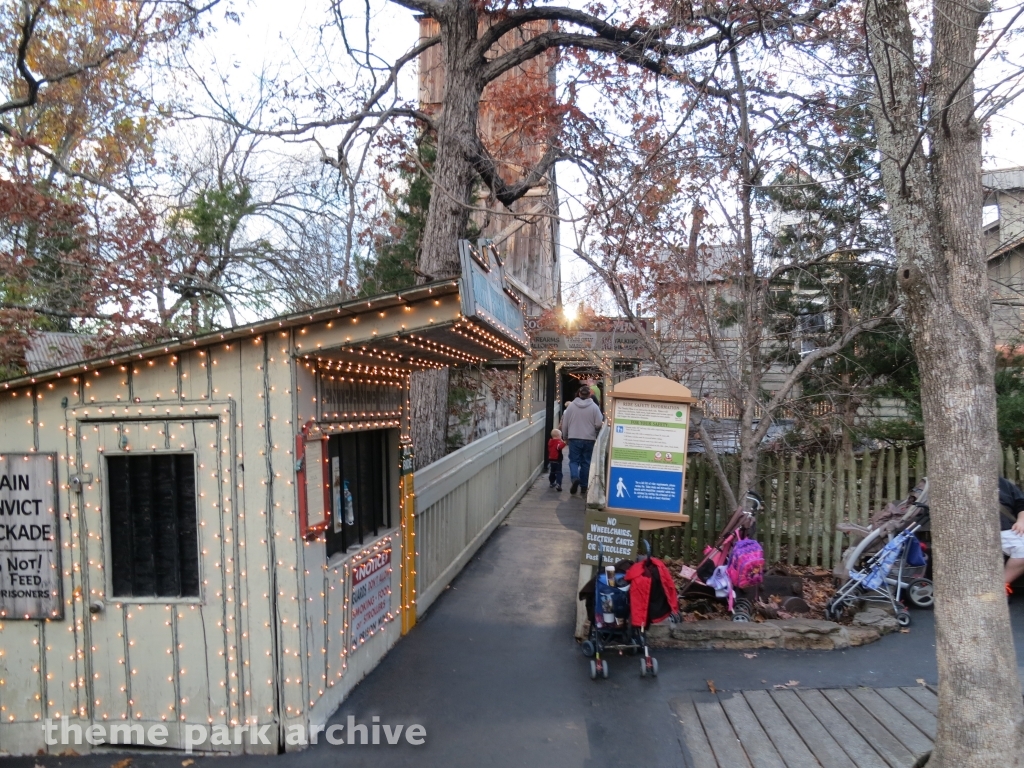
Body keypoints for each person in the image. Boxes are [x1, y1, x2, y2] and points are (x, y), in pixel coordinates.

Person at [559, 384, 605, 495]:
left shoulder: (571, 406)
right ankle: (584, 486)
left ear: (579, 394)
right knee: (586, 462)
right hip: (589, 438)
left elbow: (565, 423)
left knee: (574, 461)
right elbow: (599, 423)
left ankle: (575, 478)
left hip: (574, 438)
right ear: (589, 395)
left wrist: (565, 436)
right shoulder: (594, 407)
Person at [999, 476, 1024, 594]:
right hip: (989, 532)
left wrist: (1021, 521)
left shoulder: (1002, 482)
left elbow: (1021, 503)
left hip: (1011, 528)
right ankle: (1000, 588)